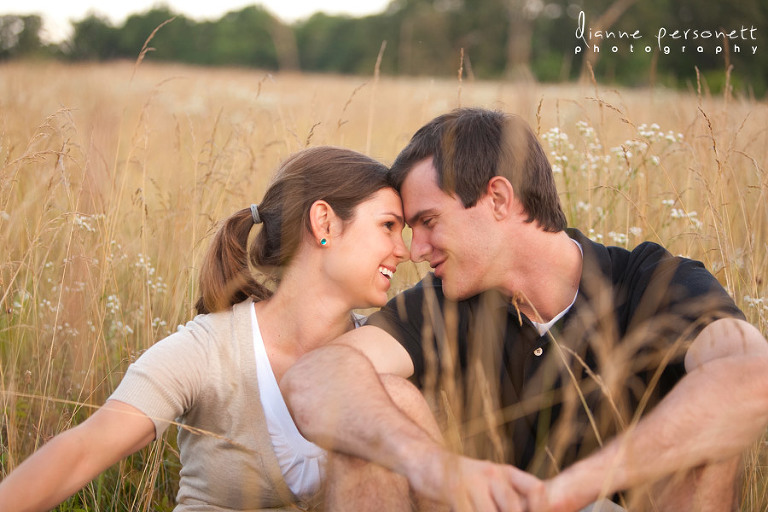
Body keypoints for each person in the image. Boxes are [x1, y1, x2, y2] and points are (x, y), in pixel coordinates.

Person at [282, 109, 768, 511]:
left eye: (428, 222)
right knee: (377, 405)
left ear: (497, 198)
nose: (415, 249)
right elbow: (315, 376)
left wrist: (570, 492)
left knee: (708, 424)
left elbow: (752, 375)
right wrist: (428, 465)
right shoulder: (445, 303)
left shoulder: (653, 281)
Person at [0, 146, 424, 511]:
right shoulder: (207, 351)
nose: (404, 251)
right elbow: (82, 451)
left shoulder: (385, 354)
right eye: (388, 226)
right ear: (324, 223)